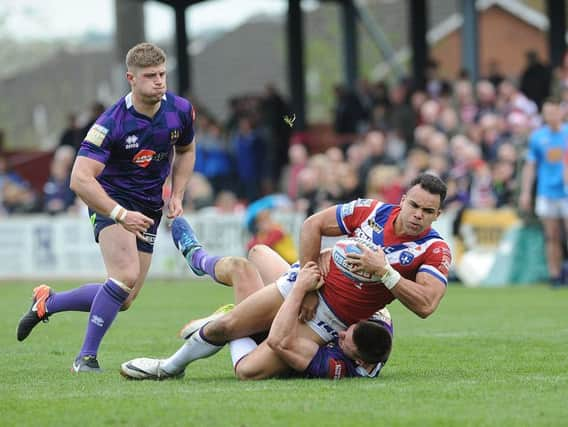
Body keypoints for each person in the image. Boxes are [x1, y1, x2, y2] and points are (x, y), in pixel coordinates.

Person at [121, 172, 449, 379]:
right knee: (228, 324)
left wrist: (385, 272)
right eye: (415, 205)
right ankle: (169, 367)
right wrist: (307, 281)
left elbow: (427, 304)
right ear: (403, 200)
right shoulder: (373, 210)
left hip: (331, 322)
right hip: (306, 286)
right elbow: (313, 225)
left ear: (438, 214)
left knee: (249, 372)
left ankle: (231, 301)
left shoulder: (433, 249)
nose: (418, 215)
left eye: (428, 211)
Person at [16, 42, 198, 372]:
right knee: (125, 275)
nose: (159, 82)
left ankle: (48, 303)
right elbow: (80, 179)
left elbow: (186, 150)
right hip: (111, 200)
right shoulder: (110, 123)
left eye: (162, 74)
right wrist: (118, 214)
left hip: (149, 207)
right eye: (150, 76)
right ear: (131, 78)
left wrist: (178, 193)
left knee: (125, 298)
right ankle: (85, 358)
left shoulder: (180, 110)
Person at [120, 217, 393, 380]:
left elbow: (279, 341)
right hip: (306, 310)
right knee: (256, 254)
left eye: (346, 340)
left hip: (283, 336)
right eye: (350, 328)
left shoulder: (340, 366)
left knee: (246, 370)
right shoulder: (375, 318)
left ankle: (170, 367)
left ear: (360, 361)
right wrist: (316, 273)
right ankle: (197, 257)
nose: (342, 334)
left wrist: (299, 291)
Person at [519, 97, 568, 287]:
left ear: (561, 112)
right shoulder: (538, 137)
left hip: (566, 192)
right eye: (547, 113)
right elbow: (530, 166)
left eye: (554, 112)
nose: (551, 116)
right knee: (551, 235)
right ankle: (554, 275)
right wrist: (525, 192)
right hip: (546, 192)